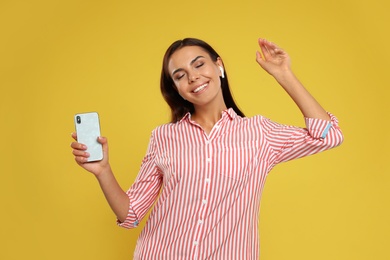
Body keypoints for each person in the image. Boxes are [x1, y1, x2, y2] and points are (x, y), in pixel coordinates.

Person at [71, 38, 343, 259]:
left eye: (199, 64)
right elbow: (130, 215)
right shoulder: (164, 137)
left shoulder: (260, 133)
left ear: (218, 66)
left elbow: (327, 136)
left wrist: (283, 74)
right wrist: (103, 171)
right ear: (176, 88)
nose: (193, 77)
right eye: (180, 75)